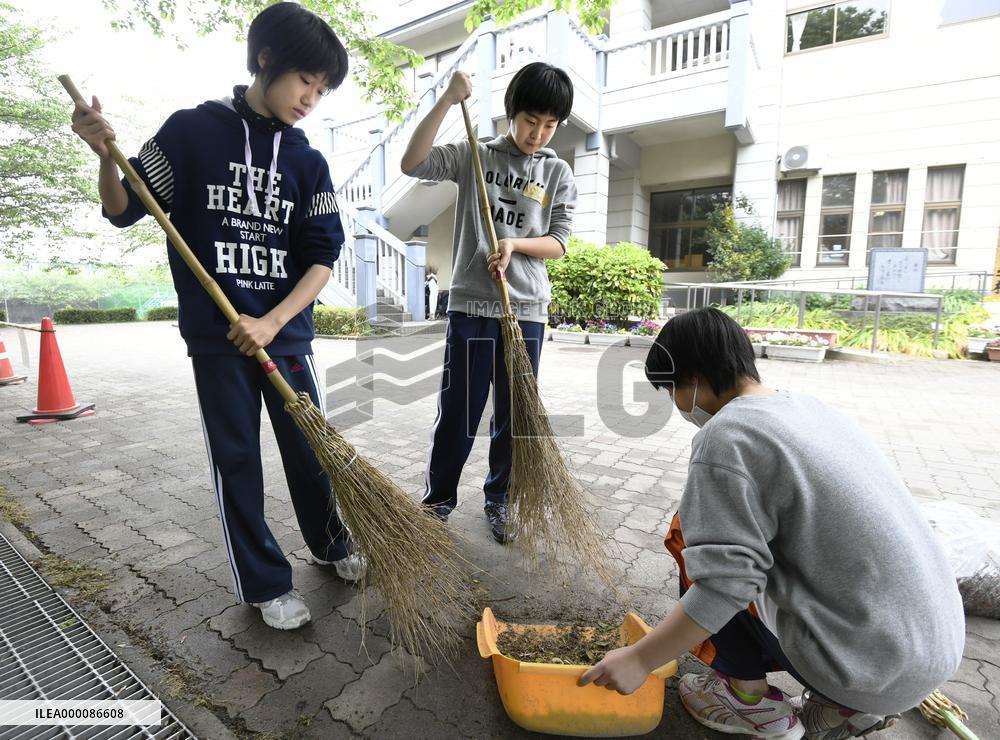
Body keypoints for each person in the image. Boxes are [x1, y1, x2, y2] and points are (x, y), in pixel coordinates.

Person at [70, 2, 364, 630]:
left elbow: (322, 260)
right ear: (266, 60)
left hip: (283, 334)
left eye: (323, 89)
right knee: (238, 459)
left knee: (312, 449)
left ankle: (331, 540)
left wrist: (273, 321)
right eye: (305, 81)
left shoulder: (308, 161)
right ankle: (265, 583)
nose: (312, 98)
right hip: (216, 336)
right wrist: (103, 152)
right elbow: (125, 206)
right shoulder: (191, 131)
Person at [579, 308, 964, 740]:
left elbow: (725, 584)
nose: (675, 404)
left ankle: (749, 702)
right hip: (931, 649)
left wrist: (639, 659)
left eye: (670, 389)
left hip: (867, 670)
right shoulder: (809, 408)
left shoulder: (727, 436)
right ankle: (841, 708)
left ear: (692, 379)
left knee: (690, 535)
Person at [400, 63, 578, 543]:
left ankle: (499, 499)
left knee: (515, 415)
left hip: (527, 311)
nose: (537, 134)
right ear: (511, 113)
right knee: (459, 410)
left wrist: (516, 244)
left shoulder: (556, 171)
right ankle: (438, 501)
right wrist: (444, 99)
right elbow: (412, 164)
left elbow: (559, 241)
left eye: (549, 125)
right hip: (473, 308)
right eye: (529, 120)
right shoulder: (474, 156)